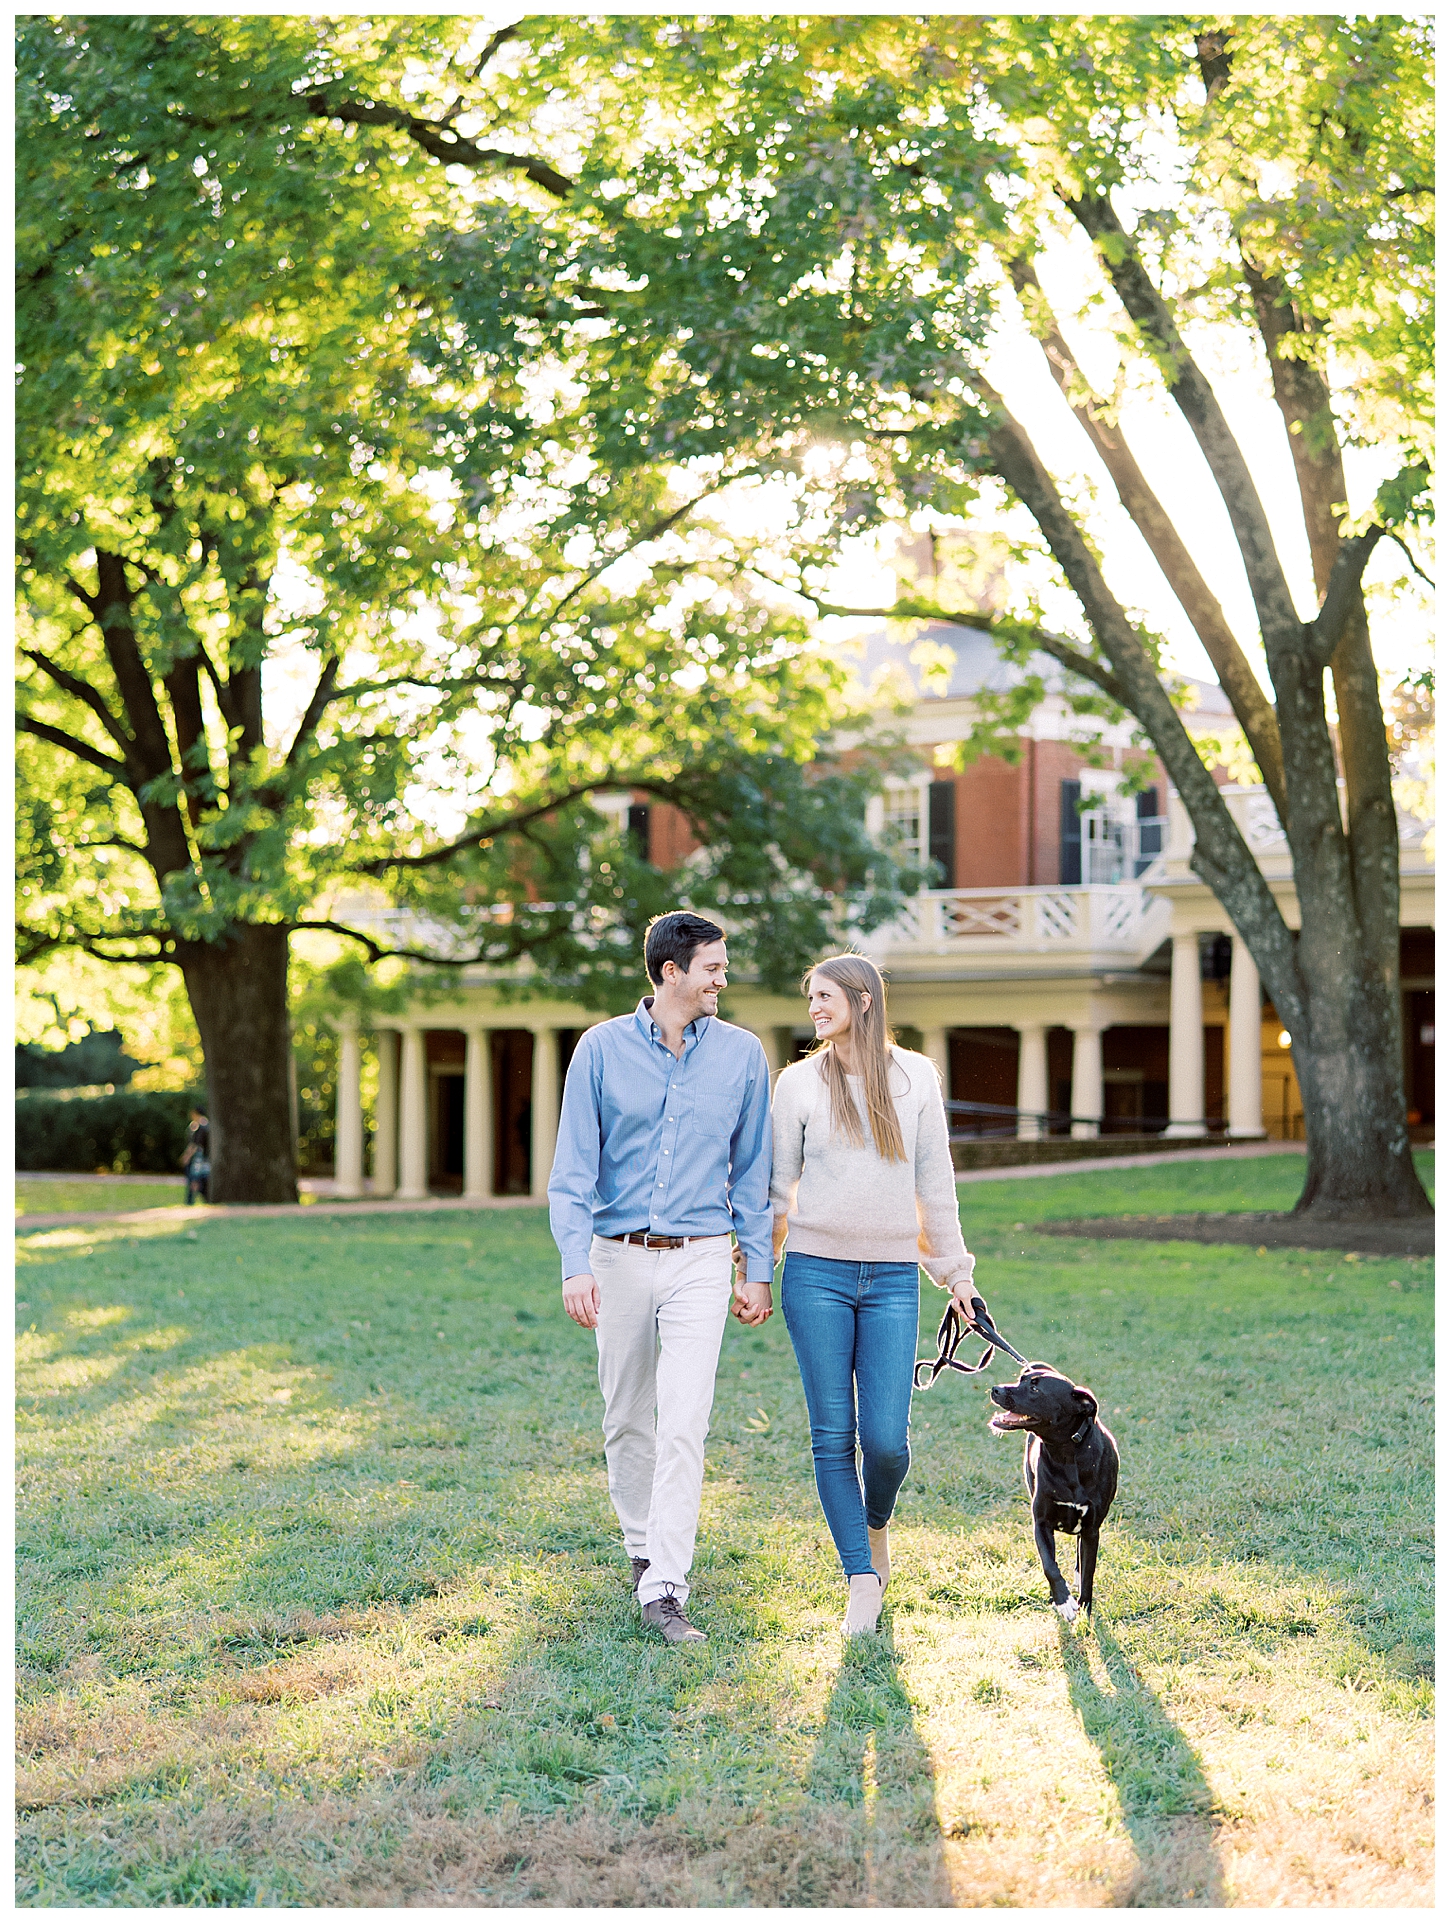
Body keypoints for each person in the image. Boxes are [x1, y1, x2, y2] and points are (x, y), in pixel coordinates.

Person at [548, 910, 774, 1645]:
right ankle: (642, 1543)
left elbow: (755, 1173)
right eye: (712, 966)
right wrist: (575, 1262)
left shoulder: (742, 1055)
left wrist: (757, 1268)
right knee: (626, 1416)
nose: (722, 977)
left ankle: (667, 1586)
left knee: (684, 1421)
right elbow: (573, 1170)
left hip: (703, 1256)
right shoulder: (601, 1049)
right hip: (616, 1255)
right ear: (671, 971)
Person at [760, 952, 987, 1637]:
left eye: (824, 996)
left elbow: (934, 1182)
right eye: (810, 998)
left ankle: (876, 1521)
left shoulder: (916, 1077)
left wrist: (958, 1274)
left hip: (891, 1279)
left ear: (862, 999)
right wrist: (757, 1270)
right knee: (834, 1436)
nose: (814, 1009)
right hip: (815, 1274)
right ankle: (861, 1575)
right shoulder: (797, 1084)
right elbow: (777, 1189)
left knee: (887, 1443)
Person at [182, 1106, 211, 1205]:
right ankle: (206, 1200)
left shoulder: (201, 1126)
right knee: (203, 1179)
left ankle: (190, 1201)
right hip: (205, 1158)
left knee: (195, 1179)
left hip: (199, 1158)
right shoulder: (205, 1125)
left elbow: (195, 1145)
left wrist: (187, 1156)